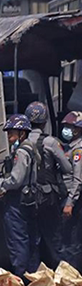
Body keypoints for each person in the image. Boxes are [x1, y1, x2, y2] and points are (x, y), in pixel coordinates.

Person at [0, 114, 40, 278]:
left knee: (18, 242)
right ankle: (33, 279)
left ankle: (21, 279)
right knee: (31, 242)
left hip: (18, 203)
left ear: (22, 133)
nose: (8, 137)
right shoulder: (32, 149)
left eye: (11, 133)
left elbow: (15, 180)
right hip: (29, 199)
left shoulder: (21, 151)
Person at [25, 101, 71, 268]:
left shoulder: (21, 142)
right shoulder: (51, 142)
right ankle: (64, 276)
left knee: (32, 239)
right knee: (55, 238)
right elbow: (67, 168)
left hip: (27, 197)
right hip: (48, 197)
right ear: (45, 121)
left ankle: (35, 278)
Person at [60, 111, 82, 269]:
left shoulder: (78, 151)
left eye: (69, 126)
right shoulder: (70, 148)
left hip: (74, 200)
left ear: (77, 129)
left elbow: (78, 179)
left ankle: (72, 277)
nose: (66, 130)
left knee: (71, 241)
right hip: (70, 198)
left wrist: (70, 203)